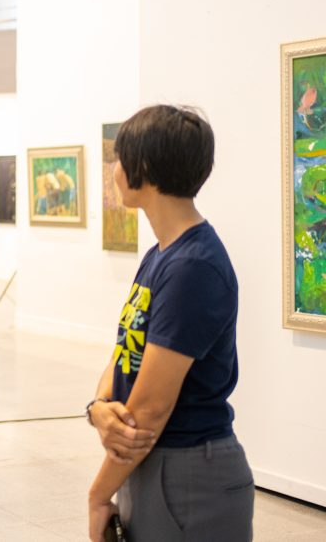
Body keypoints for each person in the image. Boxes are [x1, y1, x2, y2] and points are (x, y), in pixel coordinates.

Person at [85, 105, 253, 542]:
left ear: (142, 167)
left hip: (190, 472)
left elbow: (150, 410)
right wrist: (99, 406)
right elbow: (126, 350)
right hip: (153, 464)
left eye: (119, 159)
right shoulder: (161, 255)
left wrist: (98, 495)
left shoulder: (193, 266)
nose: (115, 171)